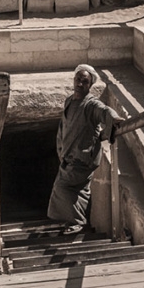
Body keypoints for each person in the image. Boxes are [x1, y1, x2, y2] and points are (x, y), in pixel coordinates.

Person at [47, 64, 124, 235]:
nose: (80, 84)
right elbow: (64, 126)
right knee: (78, 189)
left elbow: (104, 110)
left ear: (90, 85)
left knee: (62, 187)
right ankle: (75, 221)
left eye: (84, 81)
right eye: (78, 79)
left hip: (81, 158)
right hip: (69, 155)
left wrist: (114, 118)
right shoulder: (69, 101)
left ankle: (77, 222)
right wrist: (61, 149)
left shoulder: (91, 104)